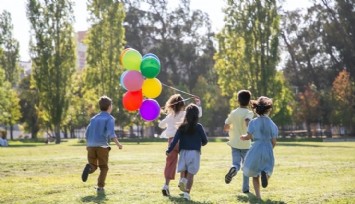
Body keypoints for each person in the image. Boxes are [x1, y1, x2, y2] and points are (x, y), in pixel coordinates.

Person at [159, 94, 202, 196]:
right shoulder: (184, 114)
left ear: (172, 105)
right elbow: (198, 114)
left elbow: (161, 125)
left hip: (171, 143)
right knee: (186, 163)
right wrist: (198, 104)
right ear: (183, 104)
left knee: (170, 164)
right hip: (183, 142)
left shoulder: (170, 116)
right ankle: (183, 180)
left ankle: (166, 185)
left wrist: (166, 118)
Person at [166, 104, 208, 201]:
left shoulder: (181, 127)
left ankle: (182, 180)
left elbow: (175, 140)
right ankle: (186, 193)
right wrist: (199, 143)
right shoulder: (199, 127)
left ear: (186, 115)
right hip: (194, 153)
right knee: (191, 174)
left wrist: (169, 150)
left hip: (183, 152)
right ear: (197, 115)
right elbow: (205, 141)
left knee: (184, 170)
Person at [81, 95, 123, 193]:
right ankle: (100, 187)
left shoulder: (94, 118)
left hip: (90, 146)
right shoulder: (109, 118)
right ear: (109, 106)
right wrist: (118, 144)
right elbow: (111, 133)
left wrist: (88, 144)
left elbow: (87, 132)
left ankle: (89, 168)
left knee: (93, 165)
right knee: (104, 167)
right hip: (102, 146)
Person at [240, 96, 278, 200]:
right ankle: (265, 175)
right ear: (268, 110)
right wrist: (270, 149)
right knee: (268, 170)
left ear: (256, 109)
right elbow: (274, 141)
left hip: (256, 148)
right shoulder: (272, 124)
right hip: (268, 148)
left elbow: (249, 136)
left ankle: (258, 197)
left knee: (254, 174)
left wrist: (243, 137)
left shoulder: (253, 122)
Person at [224, 90, 253, 193]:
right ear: (249, 101)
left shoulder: (233, 112)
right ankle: (245, 188)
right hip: (245, 144)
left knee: (236, 163)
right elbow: (247, 121)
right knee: (246, 166)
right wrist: (249, 129)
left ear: (238, 100)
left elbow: (226, 126)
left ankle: (233, 169)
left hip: (234, 143)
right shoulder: (249, 112)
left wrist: (231, 129)